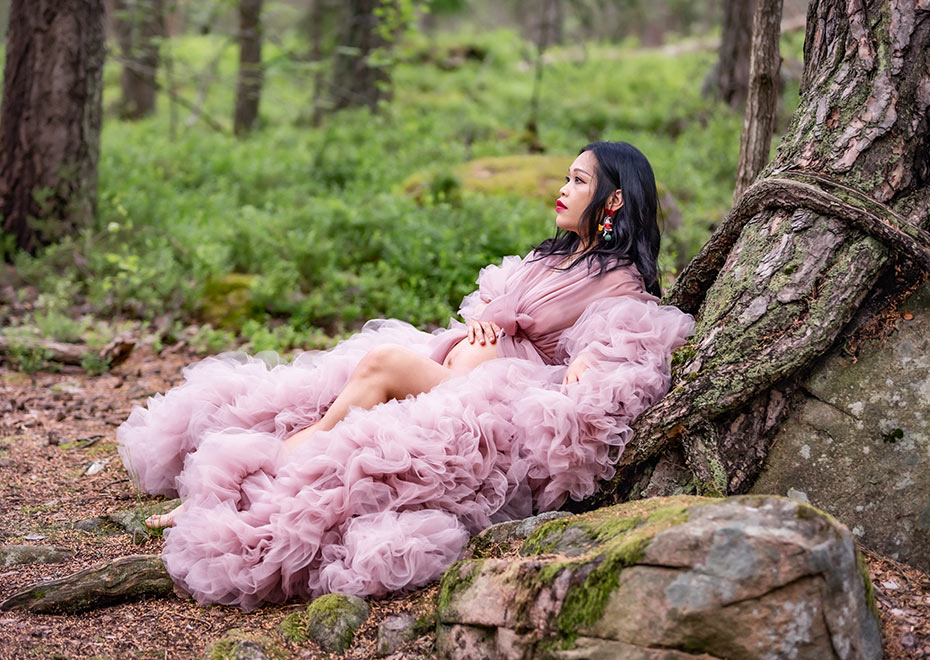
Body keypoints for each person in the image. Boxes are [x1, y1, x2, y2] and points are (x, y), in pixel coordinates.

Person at [117, 141, 695, 609]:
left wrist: (588, 363)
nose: (562, 190)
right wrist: (481, 335)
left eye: (577, 181)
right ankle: (236, 489)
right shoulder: (553, 256)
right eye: (565, 178)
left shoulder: (619, 284)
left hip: (498, 407)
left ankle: (230, 505)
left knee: (376, 375)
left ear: (613, 201)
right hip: (454, 373)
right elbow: (495, 314)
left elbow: (614, 349)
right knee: (332, 404)